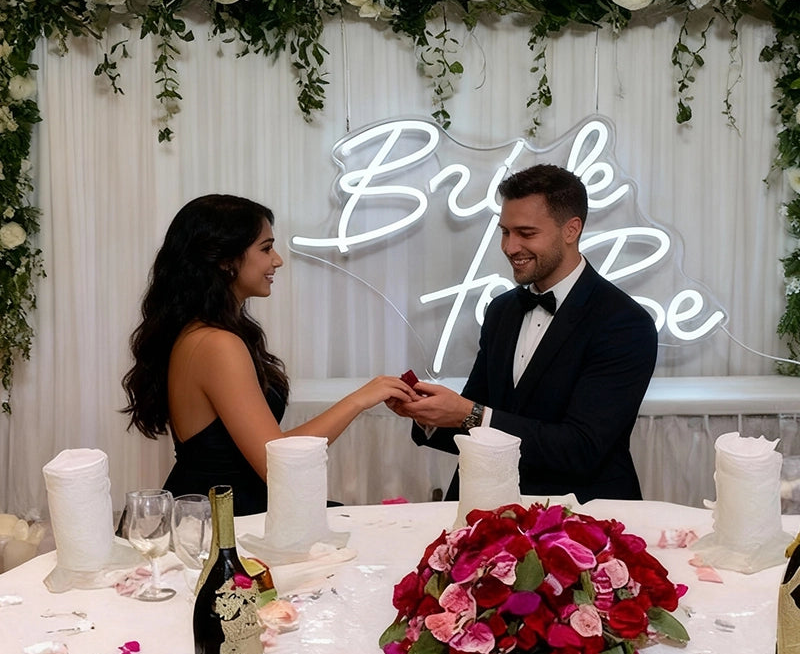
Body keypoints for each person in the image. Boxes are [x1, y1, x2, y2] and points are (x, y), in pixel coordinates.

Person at [122, 194, 417, 515]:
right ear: (224, 260)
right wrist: (359, 400)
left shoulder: (200, 332)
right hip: (224, 517)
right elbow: (275, 461)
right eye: (265, 248)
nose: (277, 260)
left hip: (219, 505)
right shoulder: (216, 343)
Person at [389, 164, 658, 503]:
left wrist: (468, 413)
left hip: (581, 516)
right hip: (487, 503)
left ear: (571, 230)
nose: (510, 246)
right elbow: (479, 416)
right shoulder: (501, 311)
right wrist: (427, 413)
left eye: (526, 233)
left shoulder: (624, 322)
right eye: (505, 231)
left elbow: (583, 448)